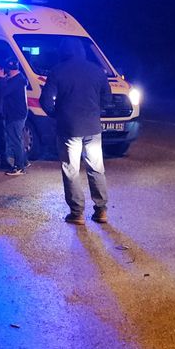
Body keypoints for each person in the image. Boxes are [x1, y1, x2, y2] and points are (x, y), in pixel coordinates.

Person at [40, 38, 112, 224]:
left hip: (69, 128)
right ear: (82, 51)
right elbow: (107, 98)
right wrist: (95, 111)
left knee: (71, 170)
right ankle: (101, 210)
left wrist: (57, 114)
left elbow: (45, 101)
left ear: (62, 52)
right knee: (96, 168)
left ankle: (77, 212)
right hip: (93, 127)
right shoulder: (96, 70)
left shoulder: (57, 71)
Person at [0, 58, 30, 176]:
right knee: (18, 138)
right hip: (17, 113)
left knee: (15, 140)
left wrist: (0, 79)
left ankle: (19, 167)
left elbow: (3, 92)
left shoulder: (16, 81)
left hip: (15, 114)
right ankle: (24, 161)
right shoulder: (18, 78)